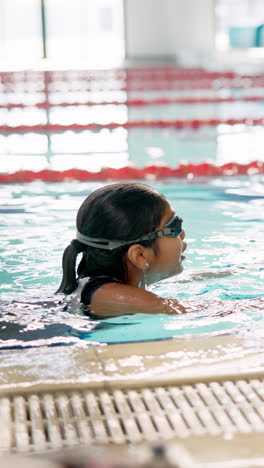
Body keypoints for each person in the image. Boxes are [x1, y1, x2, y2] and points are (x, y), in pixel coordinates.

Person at [56, 182, 188, 317]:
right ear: (140, 255)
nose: (182, 234)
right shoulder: (113, 296)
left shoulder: (99, 288)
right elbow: (193, 311)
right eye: (174, 228)